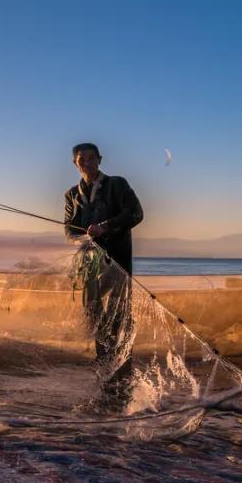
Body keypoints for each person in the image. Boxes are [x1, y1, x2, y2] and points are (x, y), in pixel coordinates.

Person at [63, 142, 143, 407]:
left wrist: (105, 227)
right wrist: (81, 237)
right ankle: (105, 382)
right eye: (80, 158)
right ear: (75, 164)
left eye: (89, 157)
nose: (85, 161)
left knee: (120, 320)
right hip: (89, 269)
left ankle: (123, 382)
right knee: (96, 321)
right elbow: (69, 231)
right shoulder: (71, 194)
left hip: (117, 265)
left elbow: (135, 214)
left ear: (99, 159)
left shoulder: (118, 184)